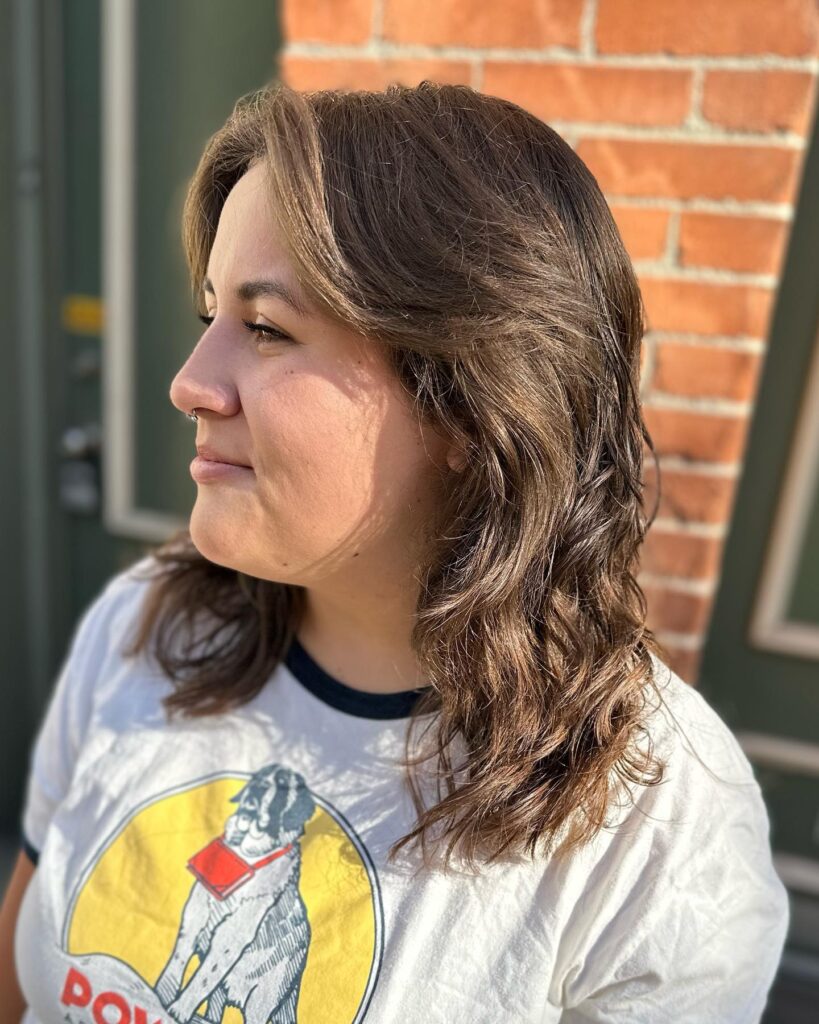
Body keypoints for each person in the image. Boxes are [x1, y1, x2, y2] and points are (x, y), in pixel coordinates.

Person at [2, 80, 788, 1023]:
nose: (189, 383)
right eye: (208, 314)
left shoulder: (659, 825)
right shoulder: (145, 624)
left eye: (265, 327)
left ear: (473, 405)